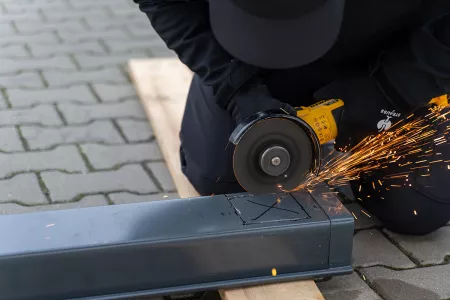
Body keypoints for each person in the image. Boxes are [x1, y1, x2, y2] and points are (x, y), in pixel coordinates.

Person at [134, 0, 450, 235]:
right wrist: (235, 86)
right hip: (248, 62)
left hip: (396, 48)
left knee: (418, 207)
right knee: (223, 184)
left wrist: (394, 89)